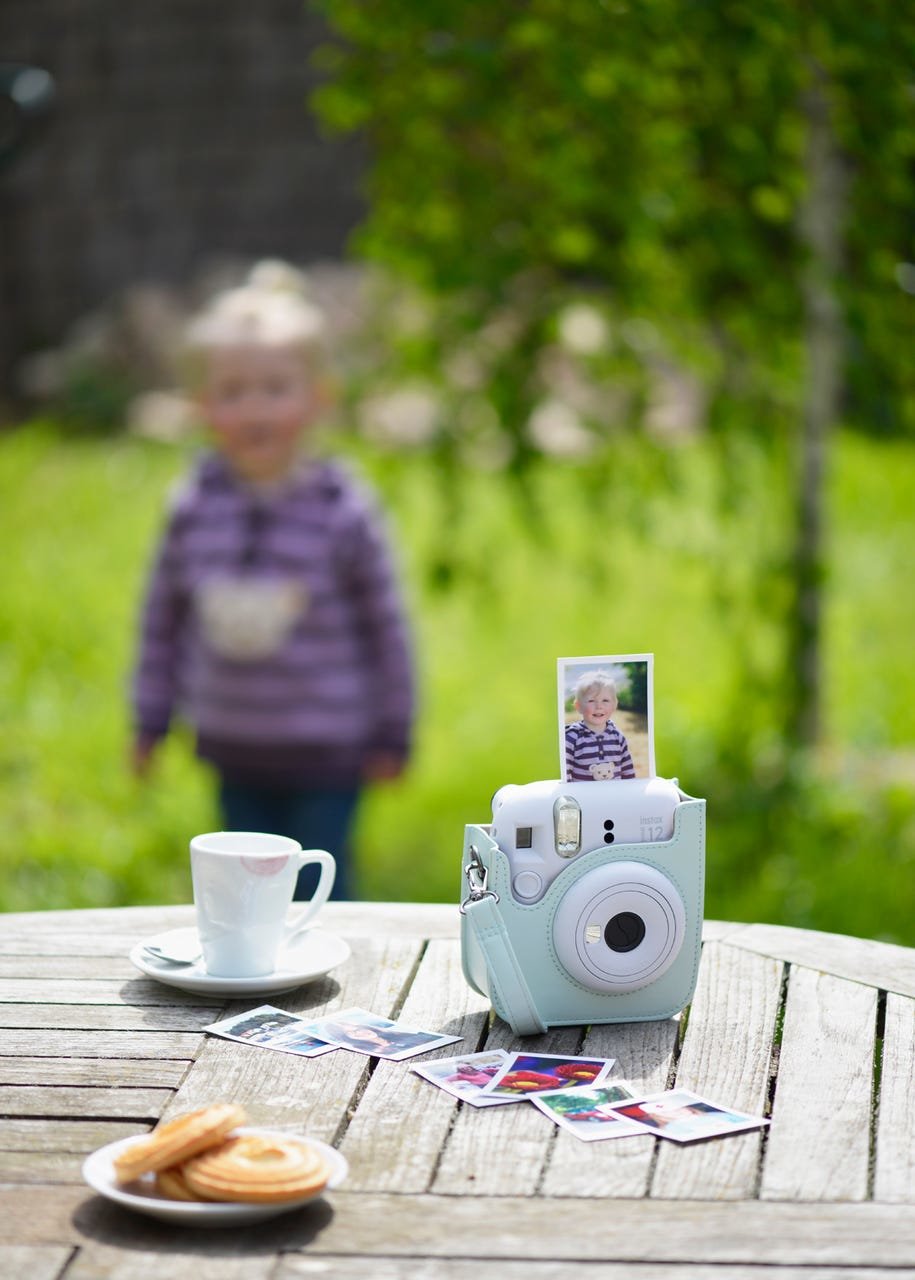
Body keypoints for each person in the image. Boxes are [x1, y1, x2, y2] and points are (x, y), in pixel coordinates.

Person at [130, 261, 414, 901]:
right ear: (203, 406)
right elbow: (162, 622)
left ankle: (332, 963)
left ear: (318, 397)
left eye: (275, 388)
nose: (254, 408)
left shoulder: (342, 510)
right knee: (246, 894)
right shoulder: (193, 508)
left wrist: (393, 729)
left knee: (318, 889)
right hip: (233, 747)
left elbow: (385, 627)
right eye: (232, 391)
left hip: (329, 752)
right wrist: (150, 718)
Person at [564, 671, 635, 782]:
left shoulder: (617, 736)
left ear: (614, 705)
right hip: (583, 793)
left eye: (605, 700)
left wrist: (630, 788)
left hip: (615, 792)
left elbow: (627, 770)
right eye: (591, 700)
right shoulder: (572, 737)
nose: (599, 706)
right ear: (578, 706)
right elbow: (565, 774)